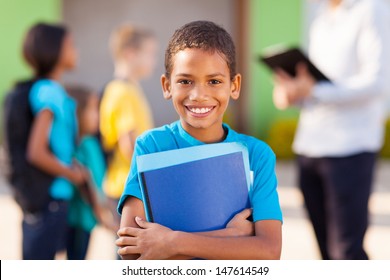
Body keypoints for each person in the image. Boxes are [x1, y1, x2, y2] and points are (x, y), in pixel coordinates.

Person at [115, 20, 283, 260]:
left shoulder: (256, 154)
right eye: (185, 81)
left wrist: (172, 242)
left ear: (234, 86)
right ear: (167, 86)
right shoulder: (151, 146)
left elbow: (268, 252)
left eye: (214, 81)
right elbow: (133, 254)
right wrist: (232, 236)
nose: (199, 95)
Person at [272, 0, 390, 259]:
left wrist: (314, 90)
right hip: (310, 145)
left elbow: (378, 82)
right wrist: (294, 92)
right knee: (325, 251)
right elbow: (316, 83)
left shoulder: (371, 9)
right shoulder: (321, 17)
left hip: (350, 148)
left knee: (347, 251)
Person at [22, 23, 85, 259]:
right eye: (71, 45)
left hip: (57, 199)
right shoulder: (50, 92)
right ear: (55, 50)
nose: (76, 51)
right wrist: (72, 174)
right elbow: (35, 152)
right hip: (51, 199)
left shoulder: (52, 89)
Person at [99, 23, 157, 230]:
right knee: (130, 252)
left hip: (125, 183)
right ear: (130, 54)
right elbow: (128, 145)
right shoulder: (123, 91)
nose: (154, 60)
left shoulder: (126, 88)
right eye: (149, 53)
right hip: (128, 185)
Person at [65, 85, 116, 259]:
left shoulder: (90, 143)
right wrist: (103, 216)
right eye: (93, 109)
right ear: (78, 113)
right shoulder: (82, 146)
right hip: (80, 220)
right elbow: (87, 183)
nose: (98, 116)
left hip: (88, 219)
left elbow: (99, 183)